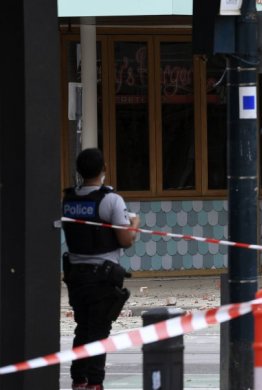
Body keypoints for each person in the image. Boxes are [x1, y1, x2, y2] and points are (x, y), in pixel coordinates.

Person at [62, 148, 140, 390]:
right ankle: (95, 383)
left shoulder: (69, 199)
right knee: (98, 331)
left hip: (75, 276)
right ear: (104, 169)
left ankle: (79, 380)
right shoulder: (110, 200)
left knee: (83, 328)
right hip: (101, 277)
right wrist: (134, 224)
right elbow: (125, 240)